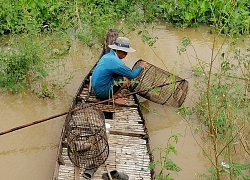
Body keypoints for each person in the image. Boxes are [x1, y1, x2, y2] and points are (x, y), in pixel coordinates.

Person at [91, 36, 148, 104]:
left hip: (97, 88)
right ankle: (112, 97)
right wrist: (141, 66)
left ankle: (115, 93)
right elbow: (132, 74)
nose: (126, 54)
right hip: (101, 92)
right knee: (126, 79)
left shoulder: (107, 56)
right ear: (119, 51)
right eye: (125, 52)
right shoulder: (115, 61)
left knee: (123, 75)